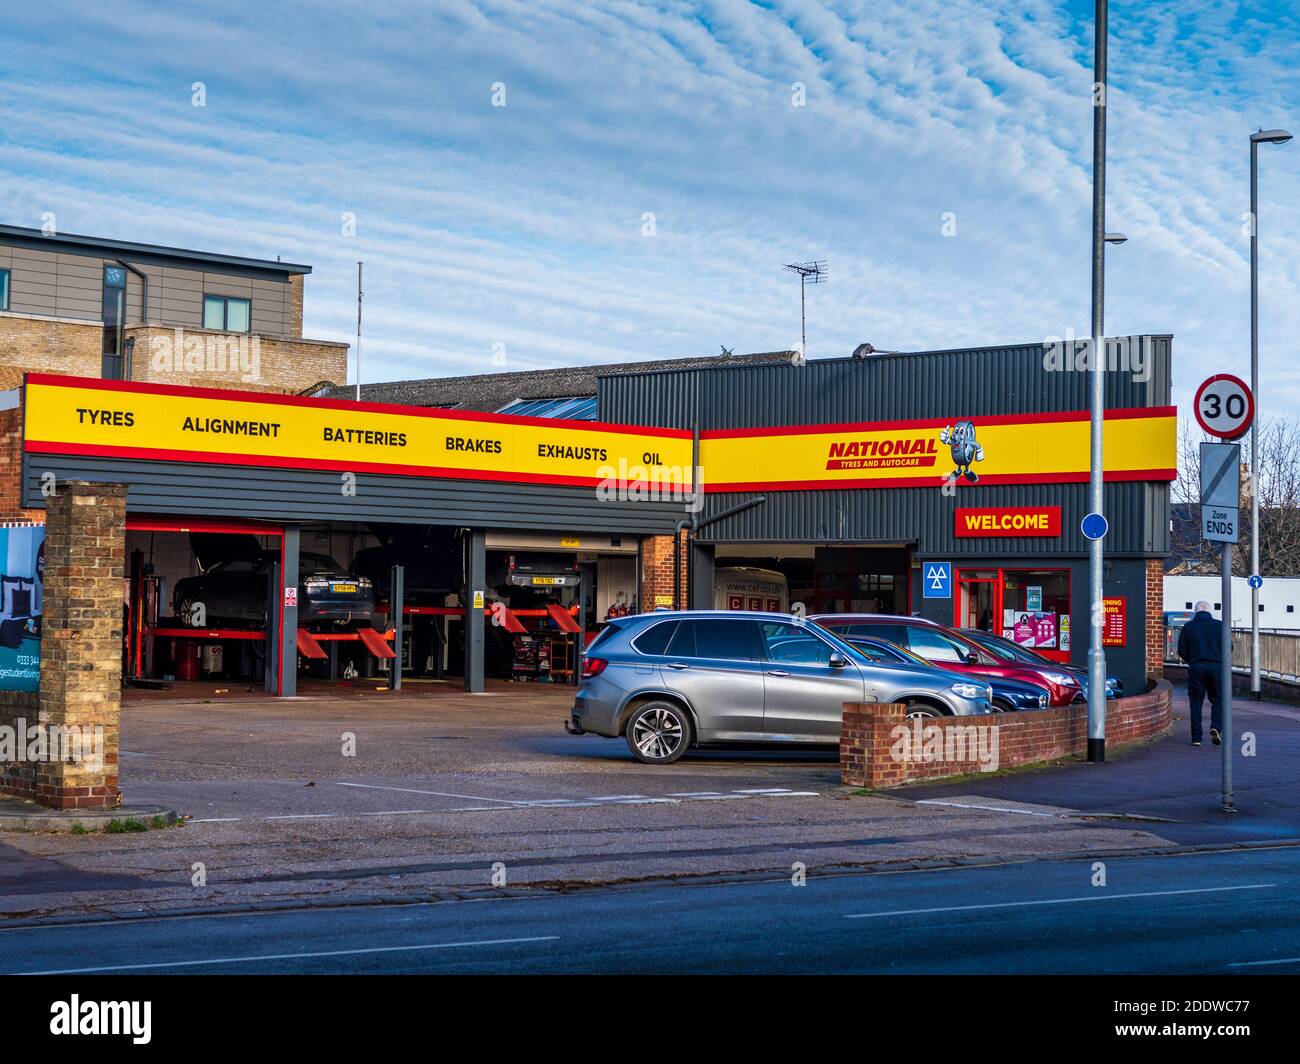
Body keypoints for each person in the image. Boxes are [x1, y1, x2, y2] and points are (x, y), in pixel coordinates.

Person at [1177, 601, 1223, 747]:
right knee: (1218, 699)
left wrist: (1192, 661)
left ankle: (1196, 738)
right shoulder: (1220, 625)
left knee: (1196, 702)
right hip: (1216, 668)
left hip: (1196, 667)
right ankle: (1216, 726)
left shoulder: (1188, 626)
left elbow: (1181, 650)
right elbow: (1229, 647)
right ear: (1209, 611)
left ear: (1195, 611)